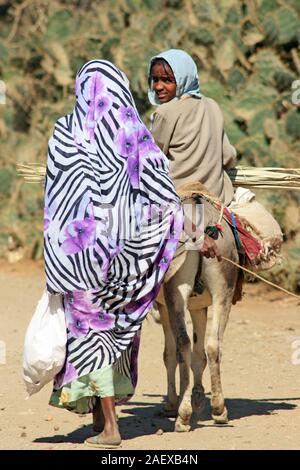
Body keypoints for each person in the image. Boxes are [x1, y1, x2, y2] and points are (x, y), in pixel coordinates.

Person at [43, 59, 184, 448]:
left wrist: (56, 258)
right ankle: (98, 417)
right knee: (113, 334)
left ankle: (109, 427)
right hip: (124, 257)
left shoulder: (64, 133)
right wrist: (154, 237)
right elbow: (163, 194)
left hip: (81, 260)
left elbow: (56, 201)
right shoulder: (133, 131)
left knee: (91, 336)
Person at [148, 49, 237, 260]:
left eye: (167, 80)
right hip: (216, 199)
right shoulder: (213, 106)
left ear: (182, 79)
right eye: (155, 79)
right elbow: (229, 157)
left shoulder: (165, 113)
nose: (158, 86)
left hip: (179, 197)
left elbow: (152, 160)